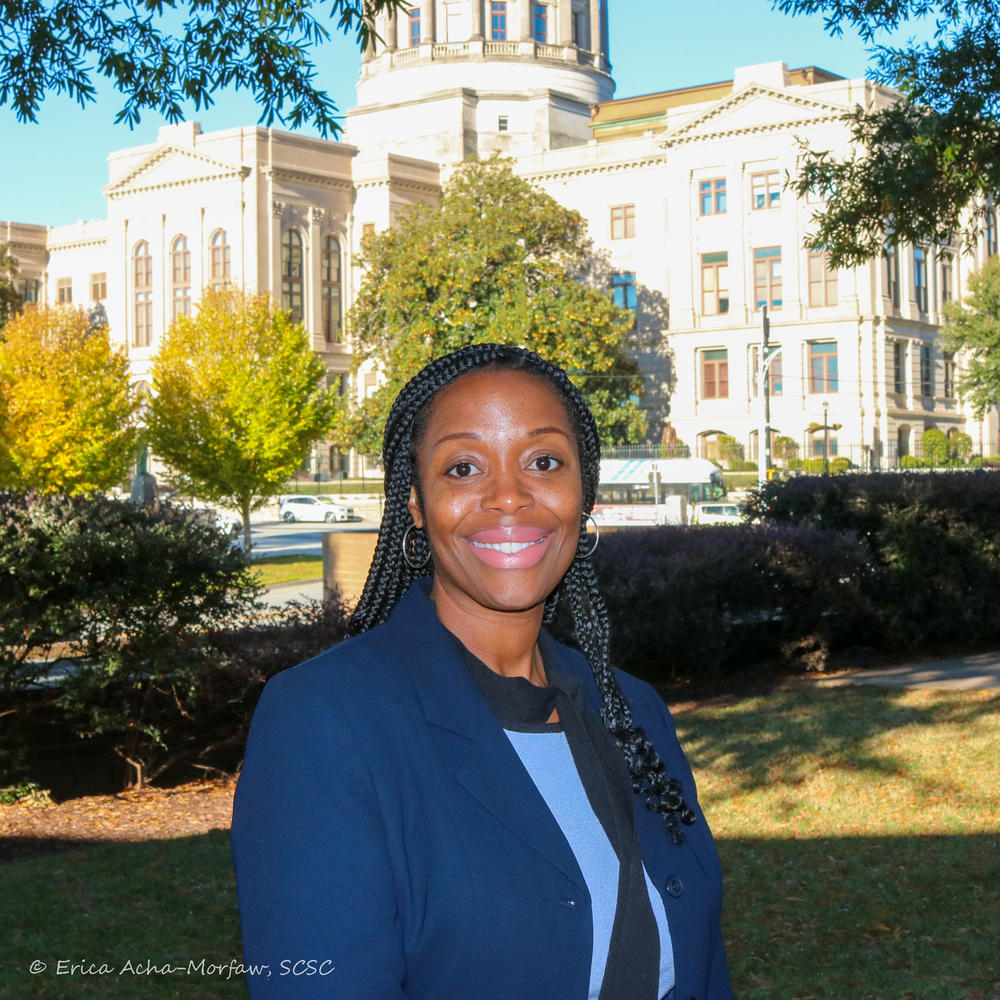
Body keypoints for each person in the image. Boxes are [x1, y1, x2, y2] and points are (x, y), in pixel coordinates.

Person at [231, 343, 733, 999]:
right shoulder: (324, 724)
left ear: (584, 493)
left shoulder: (634, 711)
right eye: (463, 468)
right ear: (414, 502)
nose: (508, 497)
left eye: (544, 461)